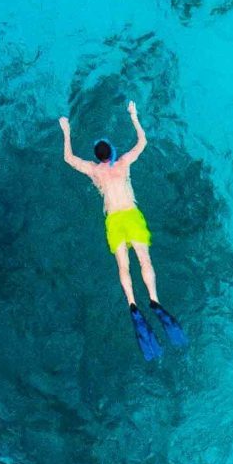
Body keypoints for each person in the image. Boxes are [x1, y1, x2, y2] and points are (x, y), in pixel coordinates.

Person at [59, 102, 187, 359]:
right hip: (132, 215)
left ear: (97, 156)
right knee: (144, 260)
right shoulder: (124, 163)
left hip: (114, 221)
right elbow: (143, 142)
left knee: (123, 267)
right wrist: (133, 116)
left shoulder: (94, 171)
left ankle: (132, 304)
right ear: (113, 153)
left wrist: (66, 131)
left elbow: (68, 159)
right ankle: (154, 299)